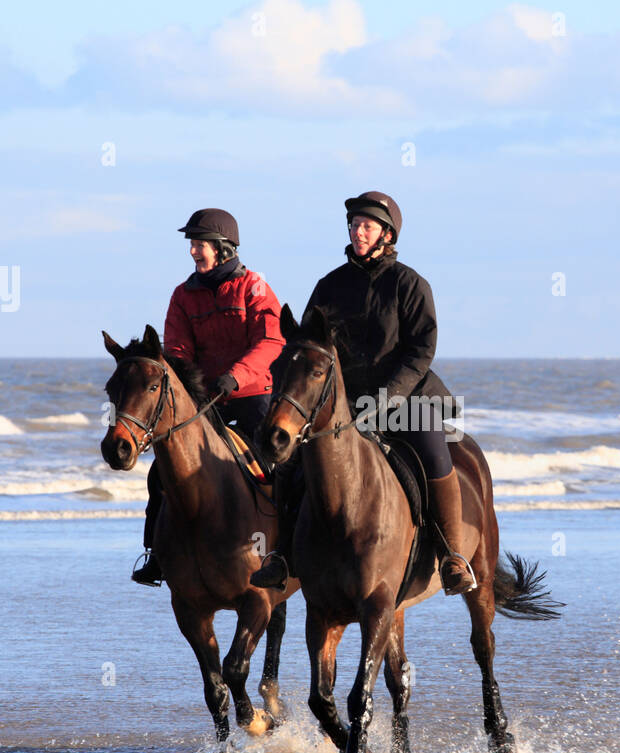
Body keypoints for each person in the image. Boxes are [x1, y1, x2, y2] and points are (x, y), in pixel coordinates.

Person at [250, 191, 475, 595]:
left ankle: (453, 557)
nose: (358, 231)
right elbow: (307, 350)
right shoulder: (329, 286)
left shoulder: (410, 283)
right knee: (291, 463)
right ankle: (282, 555)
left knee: (434, 451)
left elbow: (421, 349)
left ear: (387, 234)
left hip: (408, 400)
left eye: (367, 225)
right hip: (343, 404)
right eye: (354, 224)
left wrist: (387, 397)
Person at [130, 208, 285, 586]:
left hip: (252, 394)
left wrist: (237, 376)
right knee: (160, 474)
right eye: (192, 245)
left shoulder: (255, 288)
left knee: (278, 469)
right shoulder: (182, 295)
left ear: (223, 248)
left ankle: (284, 553)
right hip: (206, 400)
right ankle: (156, 556)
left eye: (199, 245)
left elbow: (271, 341)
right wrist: (194, 391)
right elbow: (178, 353)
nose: (193, 252)